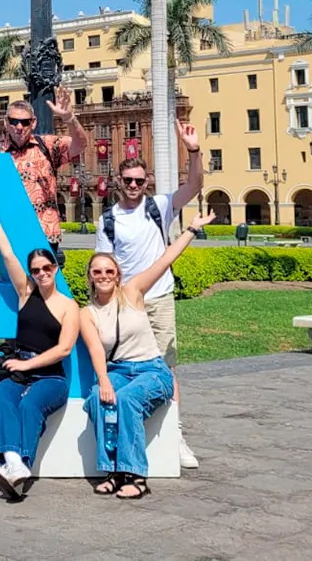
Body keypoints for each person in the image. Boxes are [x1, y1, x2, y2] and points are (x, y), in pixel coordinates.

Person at [80, 211, 213, 500]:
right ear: (90, 277)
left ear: (118, 275)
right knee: (96, 399)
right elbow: (94, 349)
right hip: (117, 371)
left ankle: (136, 476)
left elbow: (165, 261)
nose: (103, 276)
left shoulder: (133, 292)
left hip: (151, 370)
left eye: (109, 271)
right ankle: (112, 472)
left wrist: (191, 228)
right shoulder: (87, 313)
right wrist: (103, 381)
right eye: (97, 271)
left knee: (126, 400)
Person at [95, 120, 203, 469]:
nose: (133, 186)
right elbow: (104, 267)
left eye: (139, 181)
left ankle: (177, 434)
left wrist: (194, 151)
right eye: (128, 181)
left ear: (147, 182)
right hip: (126, 304)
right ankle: (132, 430)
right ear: (119, 183)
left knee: (166, 367)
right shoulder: (108, 220)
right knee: (125, 367)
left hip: (158, 299)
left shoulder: (159, 205)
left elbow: (195, 185)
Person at [0, 197, 80, 502]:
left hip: (50, 379)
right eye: (36, 270)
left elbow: (63, 349)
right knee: (4, 396)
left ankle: (19, 463)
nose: (42, 273)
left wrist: (25, 366)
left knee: (30, 405)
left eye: (47, 267)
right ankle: (14, 463)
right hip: (19, 372)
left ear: (56, 267)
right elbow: (7, 254)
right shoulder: (25, 292)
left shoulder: (68, 307)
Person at [0, 90, 87, 266]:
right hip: (8, 234)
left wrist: (69, 117)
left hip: (44, 234)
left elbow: (80, 145)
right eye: (14, 121)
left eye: (25, 122)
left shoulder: (47, 145)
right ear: (6, 123)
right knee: (10, 290)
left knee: (44, 289)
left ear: (33, 123)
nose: (19, 126)